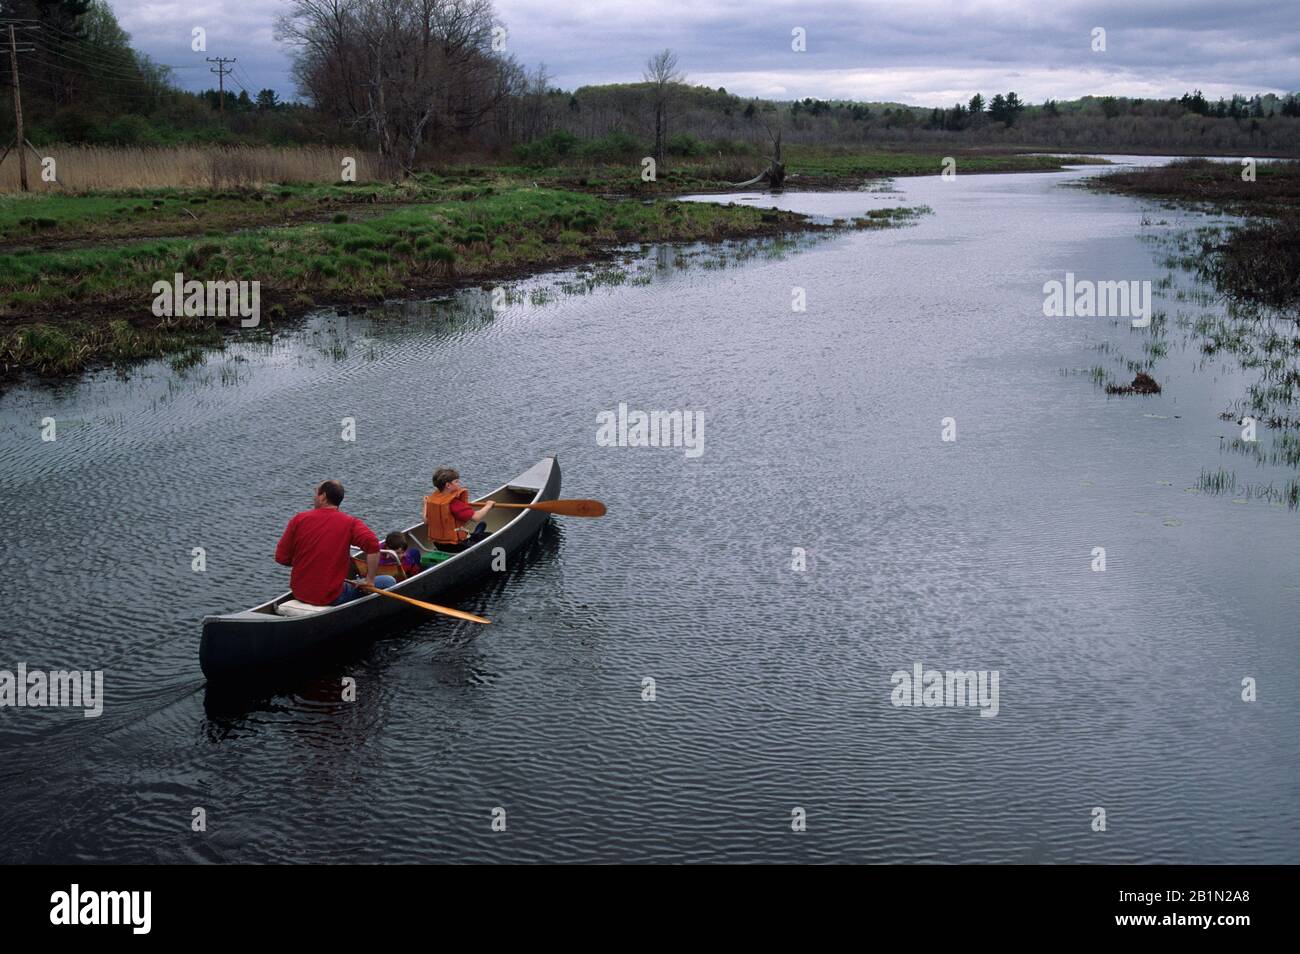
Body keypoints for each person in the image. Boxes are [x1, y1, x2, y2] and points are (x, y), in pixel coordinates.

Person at [275, 480, 396, 606]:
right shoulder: (350, 523)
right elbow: (373, 545)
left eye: (316, 493)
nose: (314, 497)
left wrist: (307, 563)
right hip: (330, 597)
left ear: (323, 497)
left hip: (300, 593)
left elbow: (281, 558)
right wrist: (369, 581)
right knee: (388, 581)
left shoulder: (298, 519)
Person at [424, 466, 494, 553]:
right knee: (490, 536)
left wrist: (425, 504)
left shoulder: (432, 500)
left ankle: (477, 533)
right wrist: (488, 505)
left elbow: (426, 521)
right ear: (448, 485)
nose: (459, 484)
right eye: (456, 482)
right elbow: (476, 517)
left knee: (475, 532)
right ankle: (477, 533)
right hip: (456, 545)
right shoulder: (453, 502)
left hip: (438, 544)